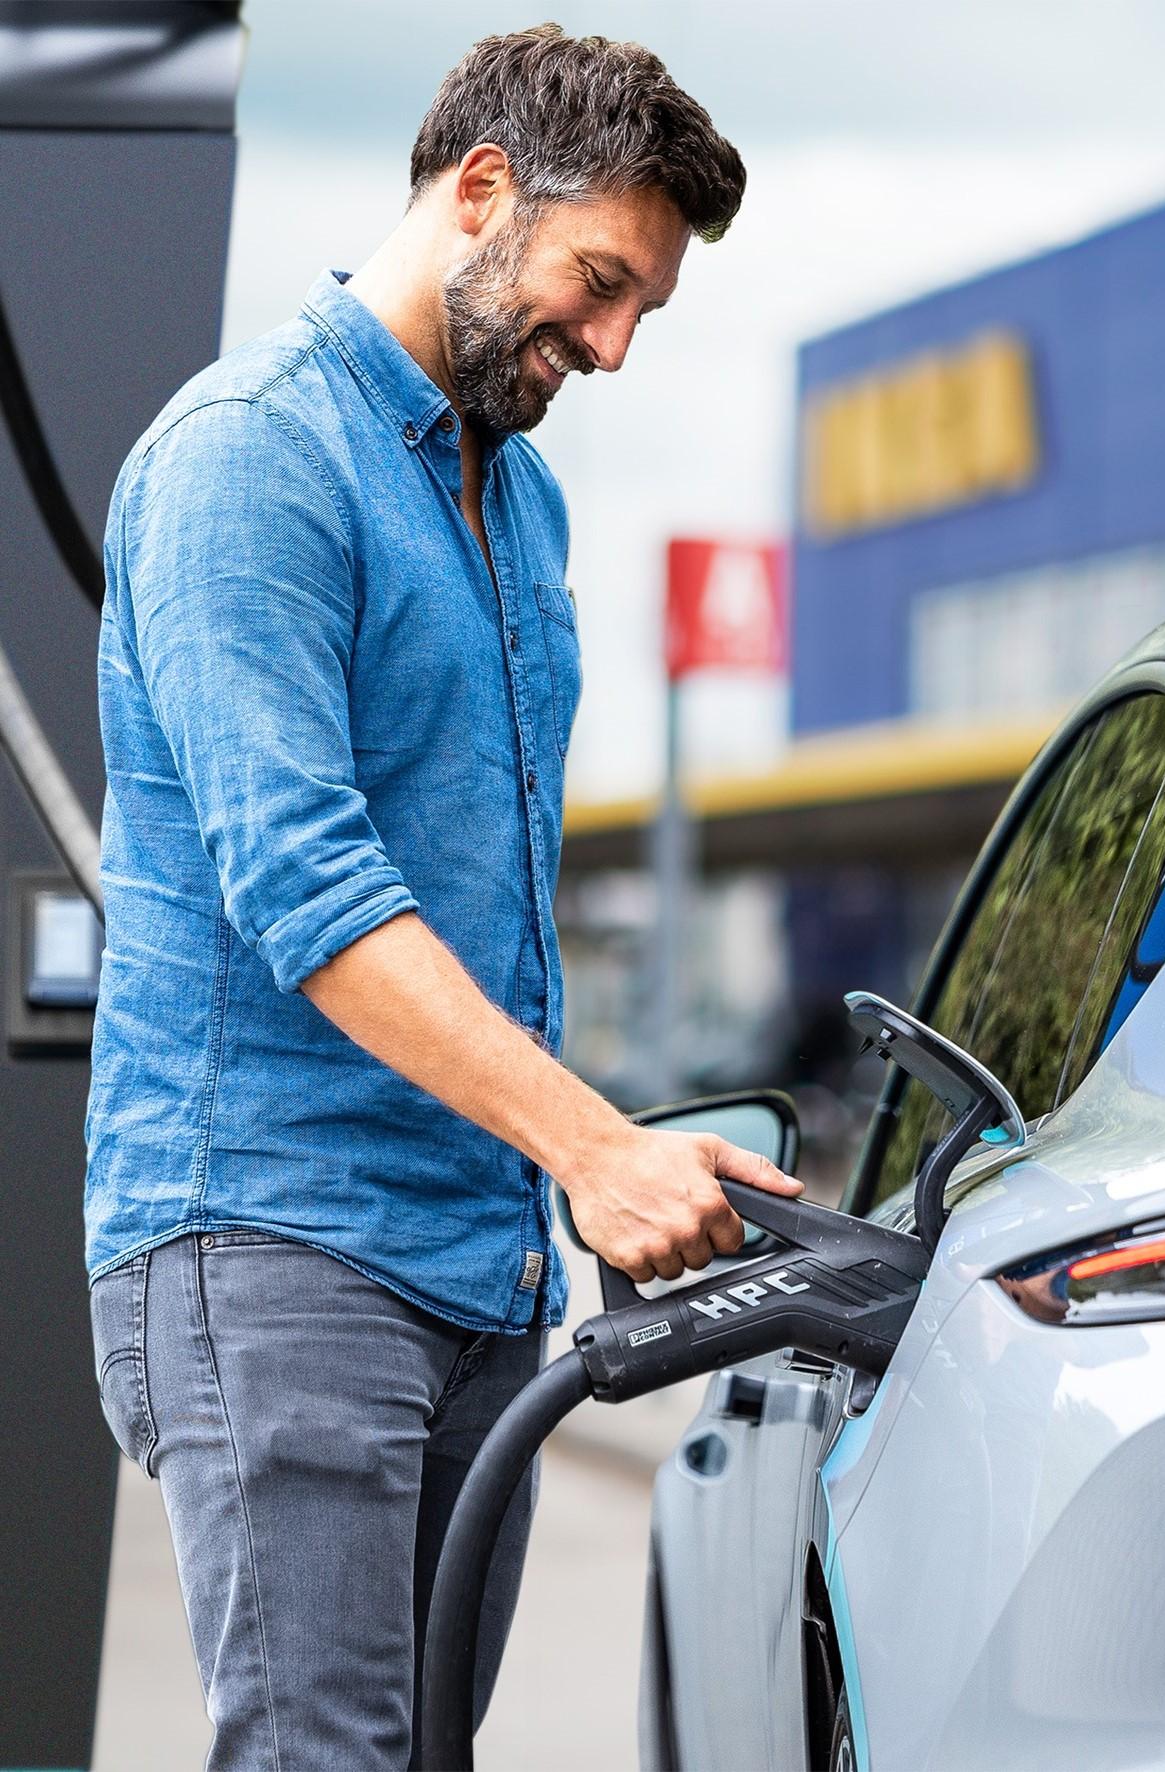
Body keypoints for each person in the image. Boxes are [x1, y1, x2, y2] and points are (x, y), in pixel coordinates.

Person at [84, 23, 799, 1770]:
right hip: (273, 1237)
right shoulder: (254, 458)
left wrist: (602, 1148)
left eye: (646, 311)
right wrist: (593, 1148)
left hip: (472, 1268)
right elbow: (307, 889)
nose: (615, 346)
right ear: (480, 190)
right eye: (599, 280)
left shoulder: (522, 500)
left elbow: (485, 909)